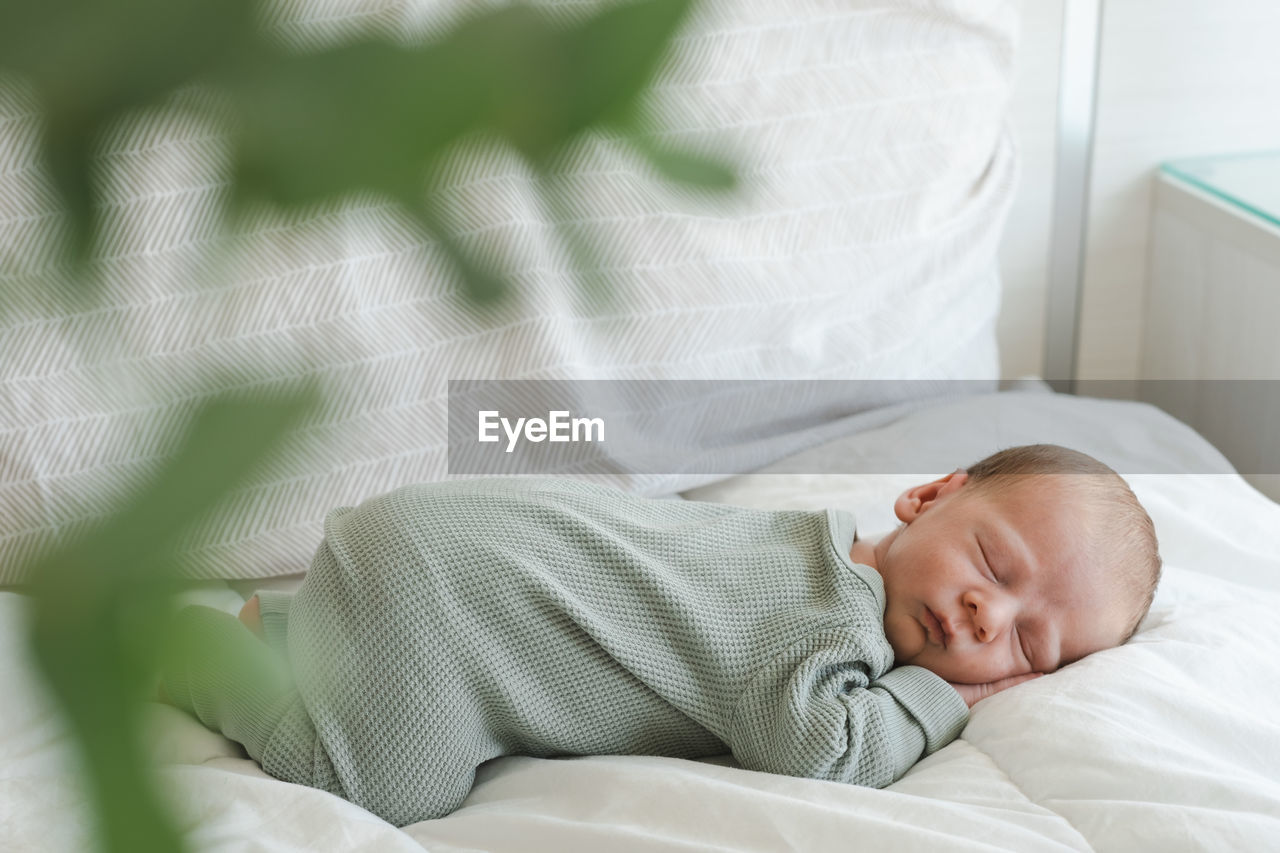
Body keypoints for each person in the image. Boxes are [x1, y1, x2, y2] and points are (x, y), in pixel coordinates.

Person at [158, 443, 1161, 827]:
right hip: (438, 597)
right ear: (928, 494)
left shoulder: (786, 545)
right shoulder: (829, 619)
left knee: (412, 674)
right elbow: (818, 749)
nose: (989, 618)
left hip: (434, 554)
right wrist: (941, 698)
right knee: (381, 788)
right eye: (992, 565)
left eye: (1028, 649)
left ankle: (296, 627)